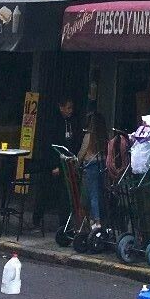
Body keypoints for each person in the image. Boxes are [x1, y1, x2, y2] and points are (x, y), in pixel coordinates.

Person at [34, 93, 81, 228]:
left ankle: (63, 223)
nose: (70, 111)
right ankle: (37, 218)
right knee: (45, 191)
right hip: (54, 162)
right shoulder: (54, 123)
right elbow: (49, 144)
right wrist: (53, 165)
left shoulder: (72, 122)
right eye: (68, 108)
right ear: (61, 107)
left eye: (71, 108)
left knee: (65, 193)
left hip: (66, 162)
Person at [78, 108, 109, 227]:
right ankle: (99, 220)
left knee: (91, 194)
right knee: (99, 193)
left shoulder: (89, 136)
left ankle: (96, 221)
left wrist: (76, 164)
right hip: (101, 164)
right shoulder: (104, 136)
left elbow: (82, 152)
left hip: (90, 165)